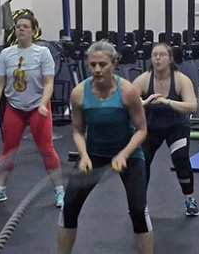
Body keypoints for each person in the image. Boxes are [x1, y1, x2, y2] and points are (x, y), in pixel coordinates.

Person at [57, 40, 154, 254]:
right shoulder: (79, 93)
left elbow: (141, 130)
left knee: (138, 210)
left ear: (114, 64)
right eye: (93, 65)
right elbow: (77, 131)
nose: (97, 69)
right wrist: (83, 155)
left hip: (129, 154)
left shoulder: (127, 91)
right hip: (93, 154)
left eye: (103, 64)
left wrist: (124, 154)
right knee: (69, 206)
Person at [0, 13, 65, 208]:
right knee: (8, 150)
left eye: (25, 26)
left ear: (34, 31)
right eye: (18, 26)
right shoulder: (6, 54)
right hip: (15, 107)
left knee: (46, 149)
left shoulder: (42, 53)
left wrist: (44, 103)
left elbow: (49, 83)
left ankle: (60, 191)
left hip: (38, 107)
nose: (21, 29)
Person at [132, 42, 199, 217]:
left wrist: (167, 101)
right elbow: (127, 101)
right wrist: (145, 102)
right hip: (151, 129)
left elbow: (192, 106)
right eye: (154, 55)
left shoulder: (181, 80)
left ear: (170, 59)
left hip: (176, 127)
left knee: (180, 158)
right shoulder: (144, 79)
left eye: (162, 55)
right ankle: (140, 202)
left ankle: (189, 199)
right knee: (141, 161)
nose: (158, 58)